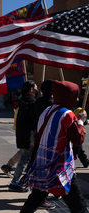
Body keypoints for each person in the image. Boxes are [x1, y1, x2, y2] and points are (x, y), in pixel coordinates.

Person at [20, 80, 88, 213]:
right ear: (69, 96)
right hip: (60, 167)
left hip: (43, 165)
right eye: (75, 95)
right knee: (78, 206)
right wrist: (81, 121)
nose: (78, 98)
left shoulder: (47, 110)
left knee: (34, 200)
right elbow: (78, 139)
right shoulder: (67, 115)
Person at [8, 80, 38, 192]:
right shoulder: (31, 102)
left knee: (26, 160)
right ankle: (15, 183)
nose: (36, 89)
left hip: (24, 136)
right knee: (24, 160)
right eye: (35, 87)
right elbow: (36, 119)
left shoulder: (23, 101)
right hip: (29, 137)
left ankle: (20, 181)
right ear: (31, 90)